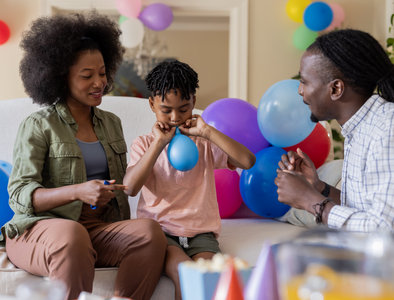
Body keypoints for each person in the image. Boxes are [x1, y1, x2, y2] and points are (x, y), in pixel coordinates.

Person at [0, 11, 167, 300]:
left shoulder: (111, 122)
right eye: (87, 76)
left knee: (149, 233)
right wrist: (78, 192)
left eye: (102, 72)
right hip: (38, 230)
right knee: (72, 235)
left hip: (96, 230)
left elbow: (125, 183)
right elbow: (20, 194)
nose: (99, 83)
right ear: (61, 77)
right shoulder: (39, 125)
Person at [123, 60, 256, 300]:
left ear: (194, 103)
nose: (175, 117)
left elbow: (247, 161)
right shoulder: (145, 144)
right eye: (166, 109)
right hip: (161, 233)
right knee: (185, 273)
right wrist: (159, 143)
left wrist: (207, 132)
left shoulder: (204, 143)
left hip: (201, 235)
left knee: (206, 281)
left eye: (184, 109)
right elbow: (130, 187)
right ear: (152, 104)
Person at [275, 29, 394, 232]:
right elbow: (365, 210)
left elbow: (385, 228)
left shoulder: (387, 128)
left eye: (304, 81)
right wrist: (319, 187)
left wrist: (310, 200)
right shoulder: (360, 129)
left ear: (336, 89)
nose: (300, 90)